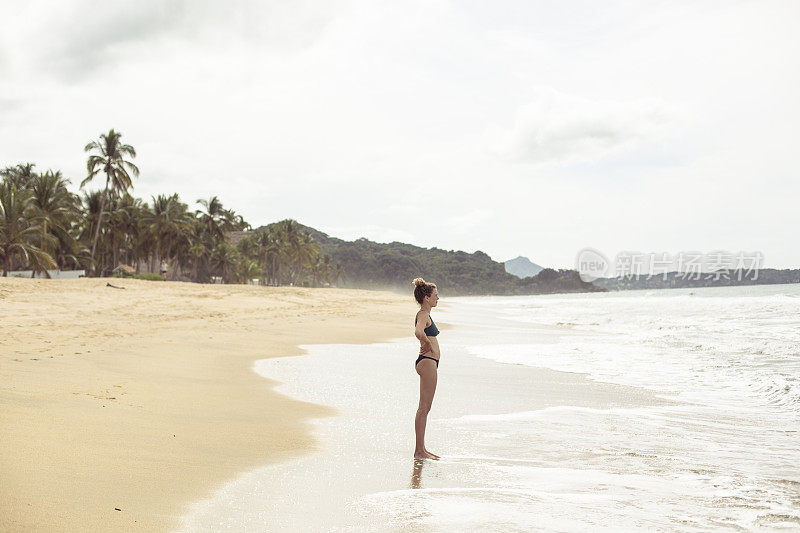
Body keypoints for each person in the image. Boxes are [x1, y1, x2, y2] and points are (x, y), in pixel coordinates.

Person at [412, 277, 442, 460]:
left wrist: (427, 344)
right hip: (427, 361)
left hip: (429, 362)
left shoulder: (425, 314)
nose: (438, 298)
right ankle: (419, 451)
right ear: (426, 298)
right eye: (436, 295)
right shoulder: (423, 314)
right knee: (424, 408)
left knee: (425, 408)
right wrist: (427, 344)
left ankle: (421, 449)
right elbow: (418, 331)